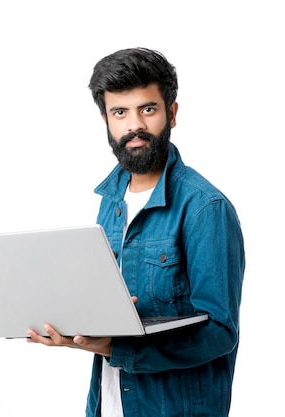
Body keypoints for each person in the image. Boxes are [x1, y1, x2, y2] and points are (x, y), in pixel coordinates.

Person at [26, 47, 245, 417]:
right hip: (110, 404)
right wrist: (73, 323)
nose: (134, 126)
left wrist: (115, 346)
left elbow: (220, 333)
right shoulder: (110, 201)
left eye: (147, 109)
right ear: (105, 119)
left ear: (171, 113)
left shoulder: (206, 208)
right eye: (120, 112)